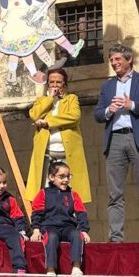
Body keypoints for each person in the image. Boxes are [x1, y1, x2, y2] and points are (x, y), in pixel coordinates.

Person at [94, 43, 139, 243]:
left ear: (129, 59)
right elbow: (98, 114)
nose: (114, 63)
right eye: (111, 60)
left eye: (117, 59)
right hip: (115, 139)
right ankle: (116, 239)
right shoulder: (107, 85)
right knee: (114, 194)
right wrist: (109, 110)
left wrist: (132, 105)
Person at [25, 67, 91, 205]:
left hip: (67, 154)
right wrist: (50, 99)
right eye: (52, 82)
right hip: (46, 155)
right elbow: (34, 115)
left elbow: (74, 116)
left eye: (58, 82)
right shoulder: (41, 100)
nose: (55, 85)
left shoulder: (71, 99)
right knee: (45, 192)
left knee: (70, 193)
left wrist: (48, 122)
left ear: (64, 84)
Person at [31, 161, 90, 276]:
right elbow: (36, 212)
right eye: (62, 176)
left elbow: (81, 213)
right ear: (51, 177)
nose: (66, 180)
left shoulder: (73, 194)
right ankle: (51, 269)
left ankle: (76, 267)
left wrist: (84, 230)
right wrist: (36, 229)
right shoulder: (43, 193)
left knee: (77, 234)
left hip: (68, 227)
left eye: (68, 176)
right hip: (49, 227)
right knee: (52, 237)